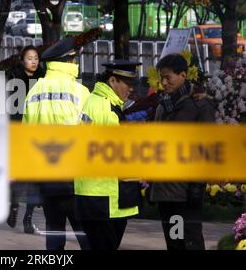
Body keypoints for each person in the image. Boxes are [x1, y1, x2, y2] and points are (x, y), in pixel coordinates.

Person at [23, 37, 90, 250]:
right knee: (88, 238)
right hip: (75, 182)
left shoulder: (34, 92)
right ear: (69, 62)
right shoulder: (80, 92)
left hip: (46, 181)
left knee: (53, 237)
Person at [148, 53, 215, 250]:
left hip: (186, 192)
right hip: (164, 190)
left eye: (168, 77)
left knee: (190, 241)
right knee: (173, 242)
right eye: (161, 77)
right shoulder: (162, 106)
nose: (164, 82)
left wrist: (197, 186)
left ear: (183, 75)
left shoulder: (199, 106)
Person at [75, 60, 142, 250]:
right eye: (127, 84)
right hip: (104, 197)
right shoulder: (106, 108)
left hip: (94, 194)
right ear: (113, 81)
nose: (131, 89)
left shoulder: (97, 101)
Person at [6, 46, 45, 234]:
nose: (33, 61)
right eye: (29, 58)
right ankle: (13, 207)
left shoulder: (44, 79)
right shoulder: (13, 77)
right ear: (22, 60)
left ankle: (28, 219)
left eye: (36, 58)